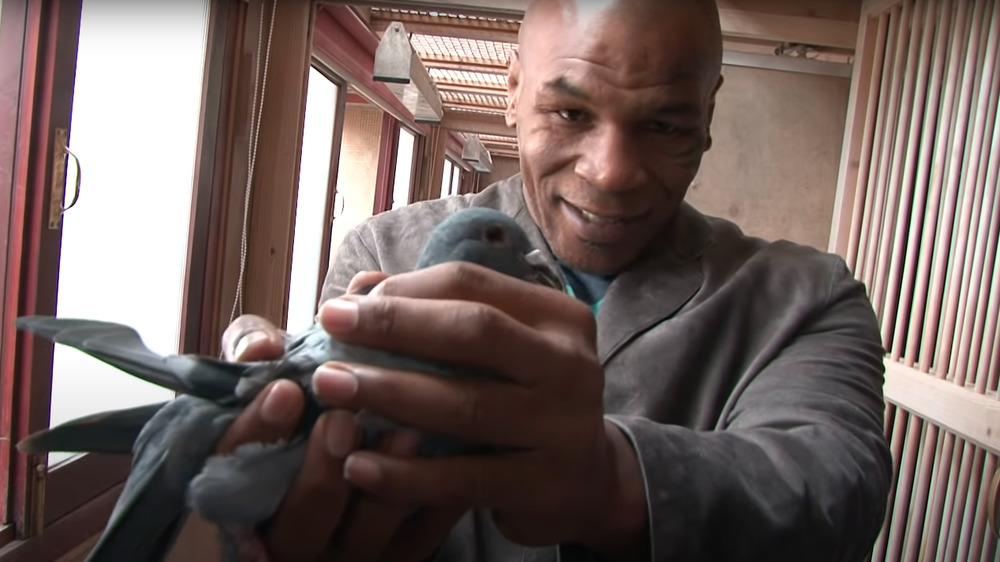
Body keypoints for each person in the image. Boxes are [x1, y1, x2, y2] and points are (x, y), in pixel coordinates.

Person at [214, 0, 892, 560]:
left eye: (663, 124)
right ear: (512, 92)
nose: (610, 172)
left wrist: (610, 481)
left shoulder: (804, 298)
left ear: (708, 116)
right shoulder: (384, 253)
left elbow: (836, 496)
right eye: (570, 113)